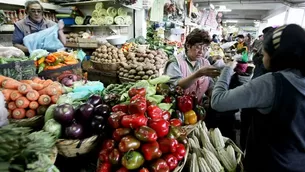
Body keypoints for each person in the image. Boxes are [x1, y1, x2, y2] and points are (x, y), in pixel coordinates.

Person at [211, 24, 305, 171]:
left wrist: (228, 68)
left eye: (265, 52)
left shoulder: (272, 83)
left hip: (266, 165)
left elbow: (218, 100)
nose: (262, 55)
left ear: (278, 55)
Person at [164, 29, 220, 104]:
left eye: (205, 48)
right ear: (188, 45)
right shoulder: (176, 62)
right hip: (177, 109)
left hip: (197, 109)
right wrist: (199, 74)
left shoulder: (205, 62)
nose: (201, 51)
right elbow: (176, 86)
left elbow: (210, 86)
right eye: (198, 47)